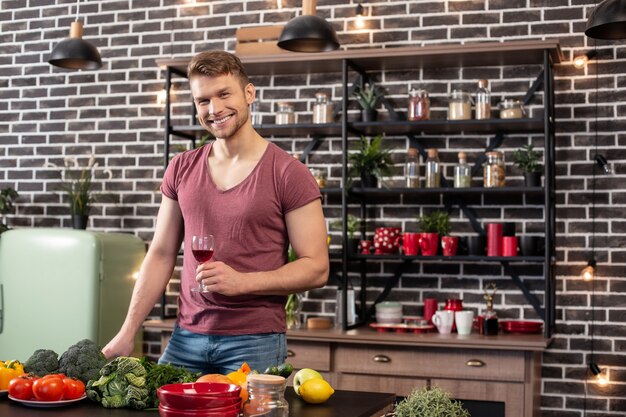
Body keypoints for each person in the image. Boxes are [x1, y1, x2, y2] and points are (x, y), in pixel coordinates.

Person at [102, 50, 329, 375]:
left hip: (255, 341)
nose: (215, 109)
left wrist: (242, 282)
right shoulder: (181, 168)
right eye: (203, 100)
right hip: (185, 338)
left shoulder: (288, 173)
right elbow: (162, 253)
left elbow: (317, 268)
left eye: (224, 94)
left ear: (249, 93)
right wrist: (128, 331)